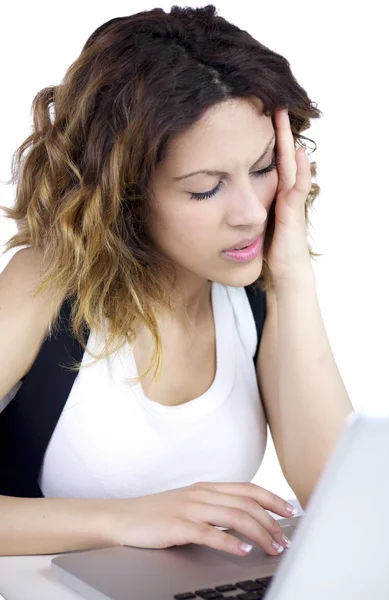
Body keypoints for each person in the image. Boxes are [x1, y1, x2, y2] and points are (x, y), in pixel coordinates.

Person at [0, 4, 354, 557]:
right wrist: (120, 521)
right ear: (124, 194)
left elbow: (341, 498)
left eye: (263, 168)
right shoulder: (47, 282)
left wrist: (292, 276)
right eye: (205, 188)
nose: (251, 214)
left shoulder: (256, 286)